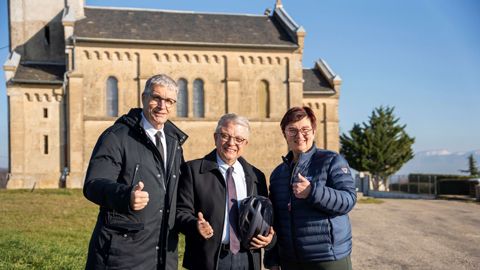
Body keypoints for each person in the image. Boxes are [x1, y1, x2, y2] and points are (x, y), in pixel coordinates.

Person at [83, 74, 188, 270]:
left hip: (163, 256)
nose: (162, 106)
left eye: (169, 101)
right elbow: (93, 184)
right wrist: (125, 195)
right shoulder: (116, 136)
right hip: (121, 256)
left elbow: (177, 196)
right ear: (144, 98)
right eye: (156, 98)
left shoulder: (174, 142)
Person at [176, 114, 274, 270]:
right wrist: (195, 225)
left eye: (238, 139)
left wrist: (270, 238)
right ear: (215, 137)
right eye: (225, 136)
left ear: (246, 143)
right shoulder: (193, 171)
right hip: (207, 260)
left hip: (247, 260)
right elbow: (180, 212)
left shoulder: (256, 176)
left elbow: (266, 218)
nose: (231, 143)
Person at [265, 107, 356, 270]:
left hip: (328, 259)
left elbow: (348, 200)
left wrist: (312, 192)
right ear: (284, 134)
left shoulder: (332, 160)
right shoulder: (278, 174)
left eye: (305, 129)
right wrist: (272, 259)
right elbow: (276, 220)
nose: (299, 135)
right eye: (292, 130)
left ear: (313, 131)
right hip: (290, 261)